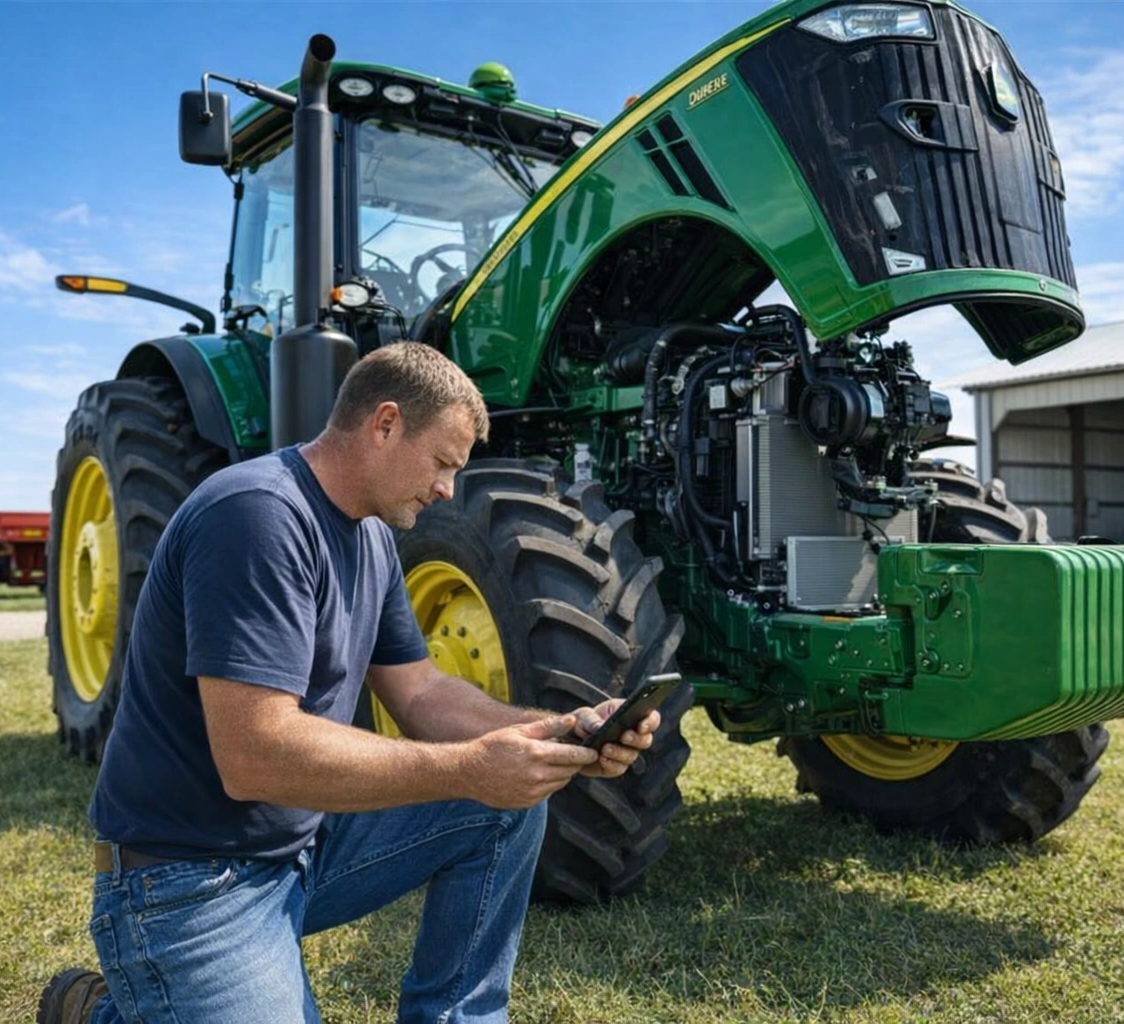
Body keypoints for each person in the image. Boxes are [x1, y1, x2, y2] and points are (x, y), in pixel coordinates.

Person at [38, 342, 659, 1024]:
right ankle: (105, 1013)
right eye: (443, 463)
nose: (449, 487)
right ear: (385, 424)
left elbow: (422, 695)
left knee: (509, 803)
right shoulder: (255, 516)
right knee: (482, 784)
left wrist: (551, 734)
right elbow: (255, 755)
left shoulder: (369, 537)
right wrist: (469, 767)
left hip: (301, 848)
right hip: (186, 877)